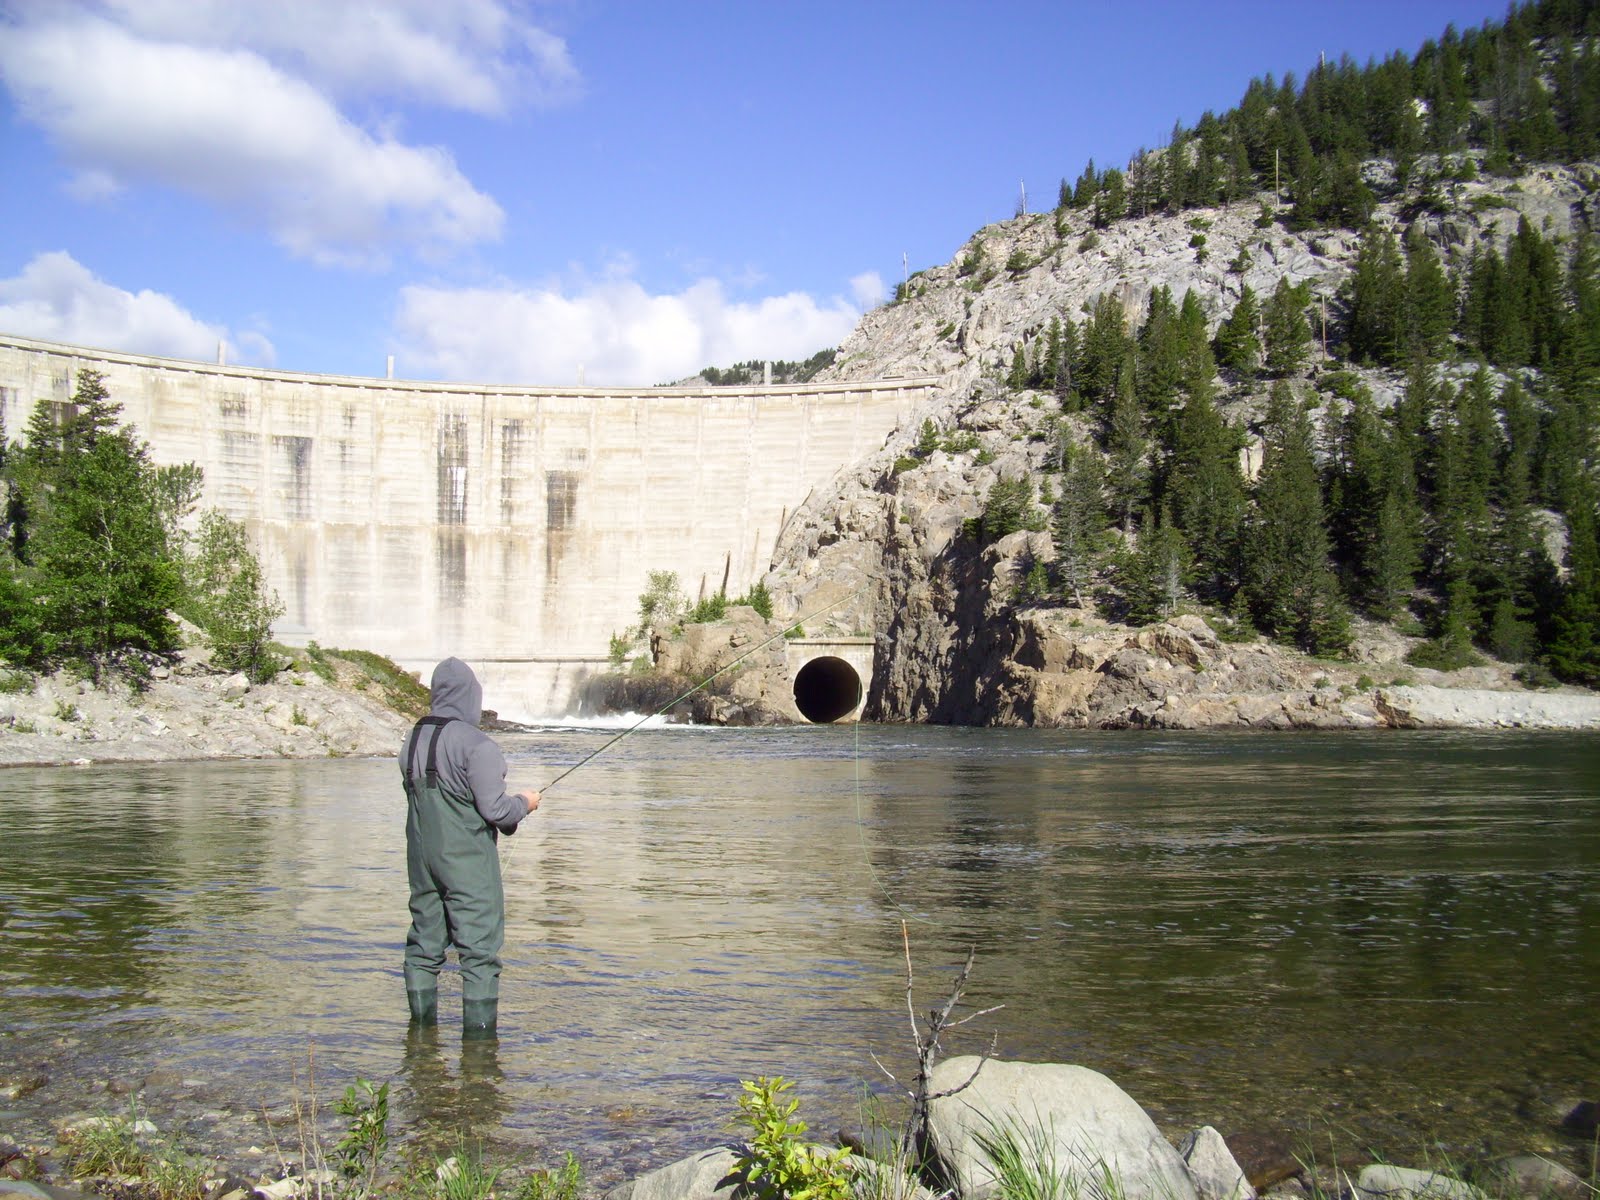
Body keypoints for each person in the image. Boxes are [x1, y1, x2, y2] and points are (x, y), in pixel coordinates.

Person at [400, 657, 539, 1039]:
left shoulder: (413, 738)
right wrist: (525, 803)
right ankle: (479, 1052)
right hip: (467, 863)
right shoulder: (479, 745)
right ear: (469, 697)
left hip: (421, 859)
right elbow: (496, 810)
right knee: (479, 955)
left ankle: (420, 1038)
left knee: (424, 946)